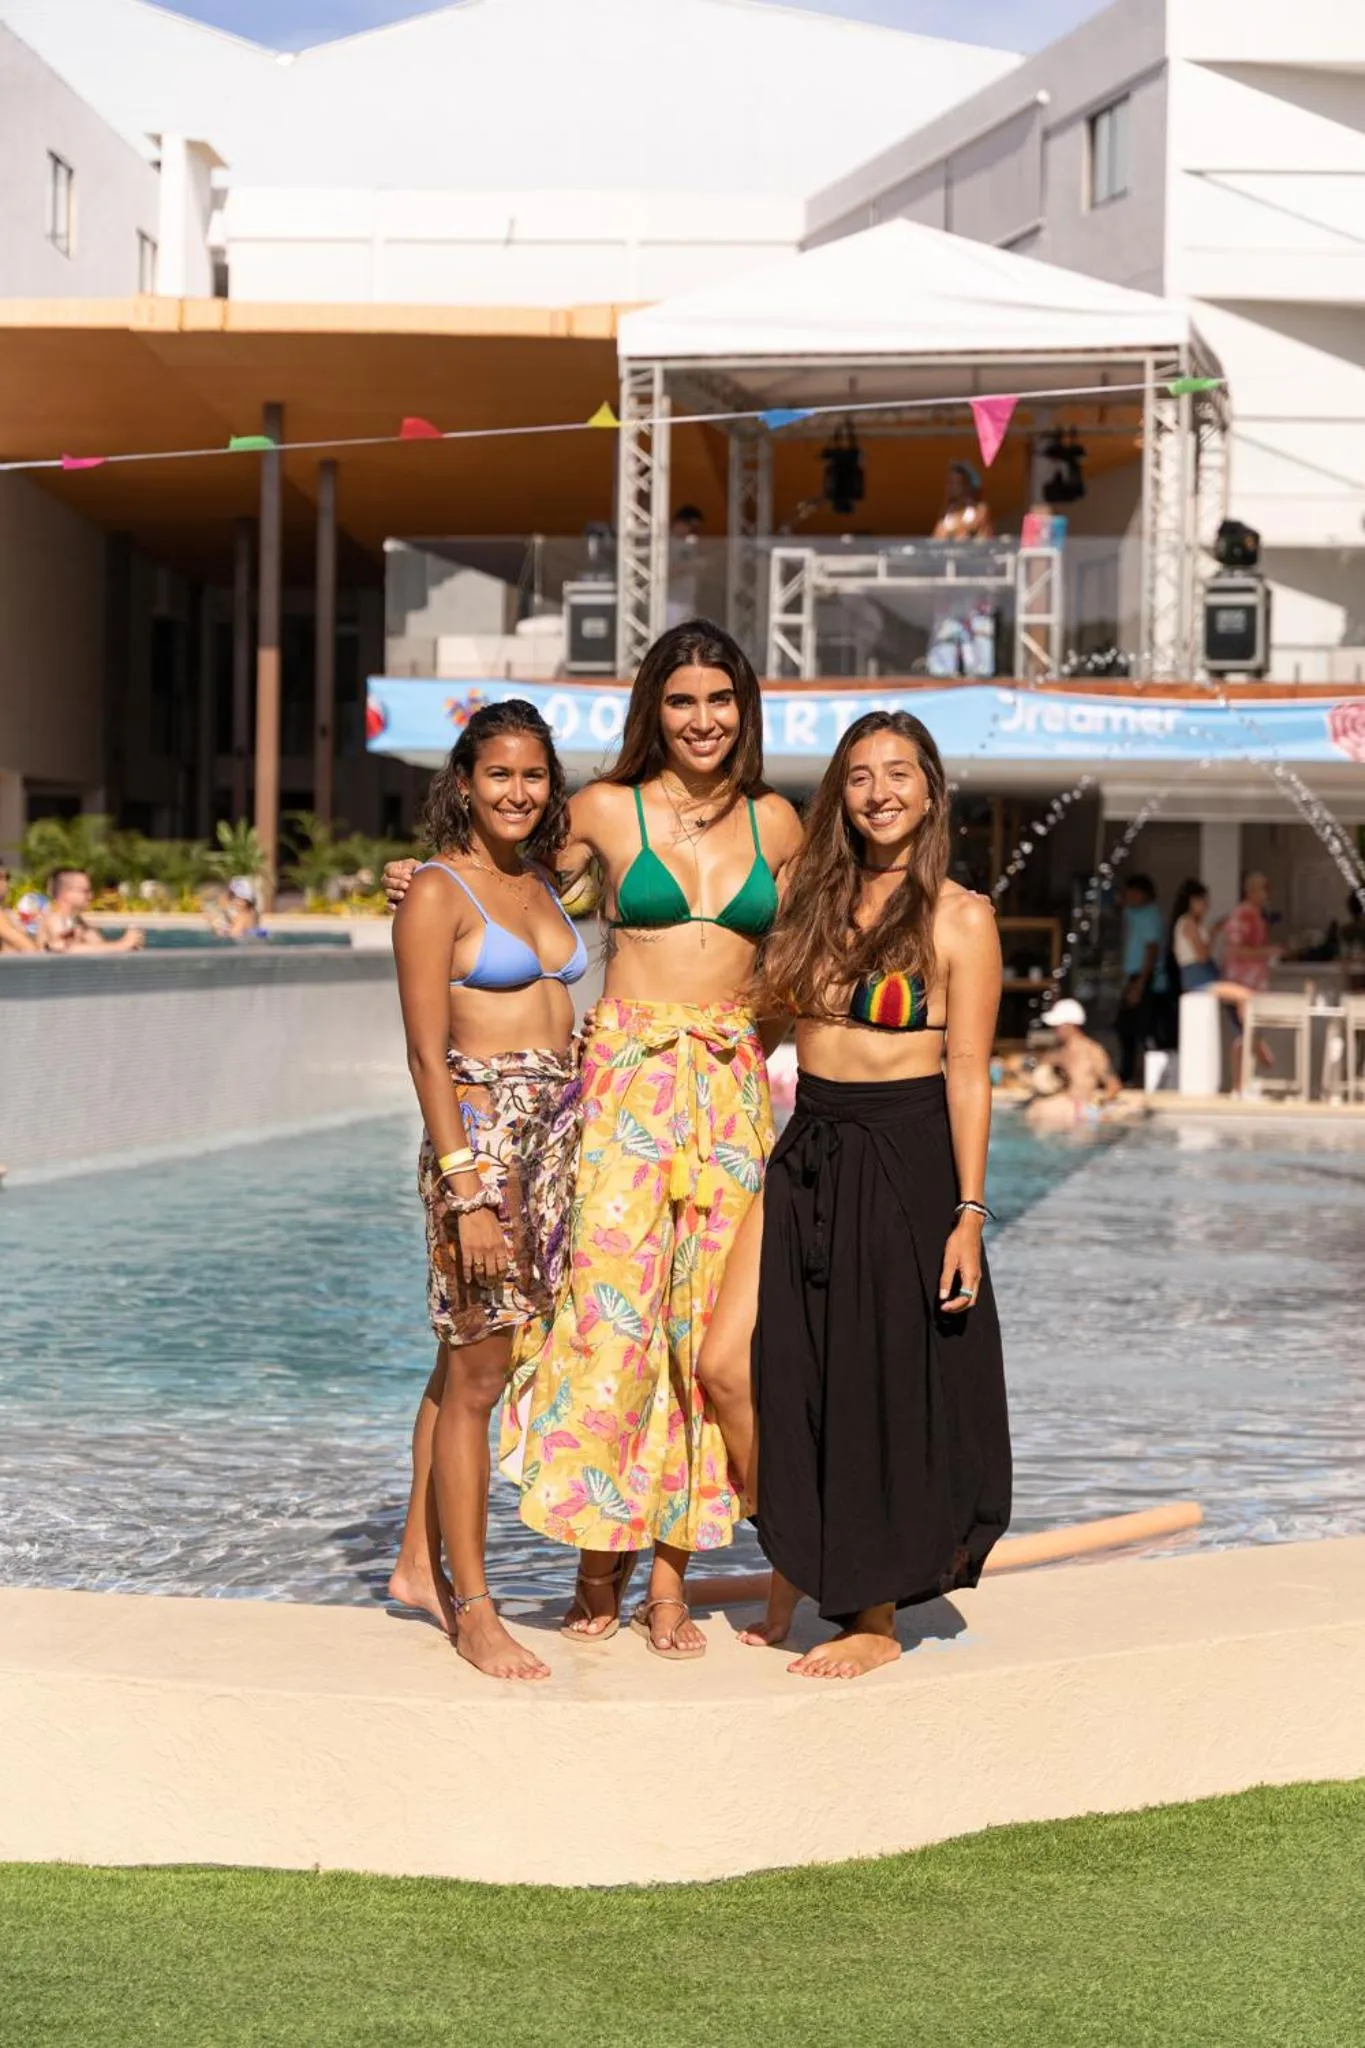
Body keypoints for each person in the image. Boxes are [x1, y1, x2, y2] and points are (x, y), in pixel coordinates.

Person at [387, 621, 803, 1660]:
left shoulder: (779, 822)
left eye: (719, 700)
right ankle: (592, 1565)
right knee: (603, 1325)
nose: (701, 719)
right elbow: (508, 876)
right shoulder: (604, 810)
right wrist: (418, 880)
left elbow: (796, 962)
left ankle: (671, 1577)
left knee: (708, 1337)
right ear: (651, 710)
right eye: (679, 701)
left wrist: (758, 1042)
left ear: (744, 709)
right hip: (618, 1086)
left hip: (728, 1089)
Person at [696, 711, 1011, 1679]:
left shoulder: (961, 917)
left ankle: (869, 1612)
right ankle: (798, 1548)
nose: (879, 792)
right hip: (810, 1145)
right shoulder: (806, 891)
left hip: (904, 1153)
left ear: (930, 788)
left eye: (899, 773)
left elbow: (968, 1071)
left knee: (871, 1383)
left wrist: (967, 1214)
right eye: (861, 775)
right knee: (727, 1367)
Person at [388, 700, 586, 1680]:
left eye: (535, 775)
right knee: (478, 1373)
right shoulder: (437, 891)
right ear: (462, 779)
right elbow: (427, 1051)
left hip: (558, 1140)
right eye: (499, 773)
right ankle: (474, 1605)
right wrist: (465, 1184)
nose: (517, 791)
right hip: (486, 1149)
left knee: (475, 1358)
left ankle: (417, 1564)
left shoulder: (542, 880)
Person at [1024, 997, 1121, 1128]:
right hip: (1056, 1111)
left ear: (1070, 1025)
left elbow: (1113, 1085)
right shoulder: (1054, 1051)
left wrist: (1093, 1107)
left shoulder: (1092, 1051)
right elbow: (1040, 1080)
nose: (1054, 1029)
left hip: (1079, 1112)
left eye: (1058, 1026)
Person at [1115, 874, 1167, 1086]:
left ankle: (1139, 1077)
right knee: (1125, 1027)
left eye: (1133, 893)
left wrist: (1140, 984)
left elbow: (1151, 950)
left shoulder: (1150, 916)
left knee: (1140, 1029)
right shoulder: (1132, 912)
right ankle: (1128, 1073)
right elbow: (1118, 904)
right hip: (1134, 976)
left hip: (1146, 978)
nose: (1129, 897)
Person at [38, 869, 146, 953]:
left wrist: (131, 944)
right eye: (85, 891)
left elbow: (100, 946)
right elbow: (64, 949)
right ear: (66, 893)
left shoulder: (78, 922)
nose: (91, 896)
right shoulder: (55, 920)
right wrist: (123, 945)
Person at [1218, 871, 1278, 992]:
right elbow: (1234, 950)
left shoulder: (1258, 915)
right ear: (1251, 891)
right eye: (1264, 889)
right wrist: (1268, 951)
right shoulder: (1242, 915)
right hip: (1241, 985)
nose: (1267, 894)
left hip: (1254, 984)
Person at [933, 462, 995, 543]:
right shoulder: (946, 515)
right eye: (950, 483)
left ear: (967, 485)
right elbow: (937, 537)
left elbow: (975, 529)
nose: (952, 487)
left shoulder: (979, 509)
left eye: (957, 483)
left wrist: (954, 532)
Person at [0, 863, 38, 955]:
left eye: (7, 878)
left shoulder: (7, 913)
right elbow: (28, 947)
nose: (5, 883)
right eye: (1, 877)